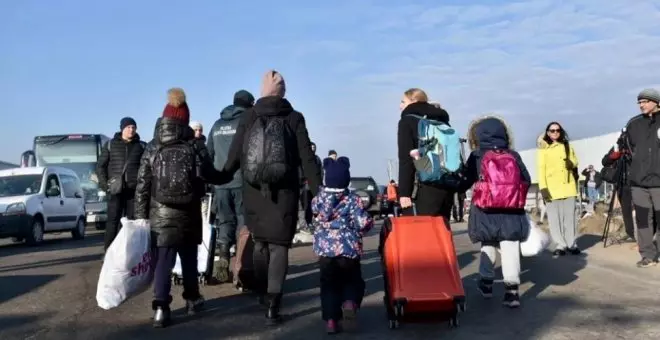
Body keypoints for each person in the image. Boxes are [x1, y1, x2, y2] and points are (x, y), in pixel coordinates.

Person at [221, 70, 322, 325]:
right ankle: (273, 304)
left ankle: (263, 293)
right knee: (279, 246)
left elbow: (234, 158)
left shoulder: (249, 116)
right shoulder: (294, 117)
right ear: (283, 92)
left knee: (260, 243)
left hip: (253, 190)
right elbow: (306, 157)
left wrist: (216, 176)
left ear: (262, 90)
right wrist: (319, 191)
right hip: (285, 192)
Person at [134, 88, 229, 328]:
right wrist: (231, 171)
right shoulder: (195, 145)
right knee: (188, 258)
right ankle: (192, 299)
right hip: (188, 213)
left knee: (163, 262)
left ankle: (161, 308)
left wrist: (140, 218)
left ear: (164, 119)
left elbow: (142, 185)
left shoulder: (153, 147)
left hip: (160, 214)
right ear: (185, 120)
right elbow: (213, 176)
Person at [456, 116, 530, 308]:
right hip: (511, 210)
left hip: (485, 209)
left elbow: (465, 181)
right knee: (510, 246)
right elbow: (526, 179)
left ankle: (486, 284)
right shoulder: (513, 155)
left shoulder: (477, 155)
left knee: (488, 244)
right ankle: (512, 292)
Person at [311, 156, 373, 334]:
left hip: (325, 252)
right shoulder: (352, 200)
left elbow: (313, 215)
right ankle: (349, 302)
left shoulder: (318, 200)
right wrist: (367, 224)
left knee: (329, 286)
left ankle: (331, 321)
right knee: (353, 281)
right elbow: (363, 223)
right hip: (348, 250)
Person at [207, 89, 255, 283]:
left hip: (220, 184)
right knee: (243, 224)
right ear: (249, 105)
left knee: (225, 222)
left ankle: (222, 264)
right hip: (241, 182)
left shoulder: (217, 125)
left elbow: (208, 153)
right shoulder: (247, 123)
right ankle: (240, 269)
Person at [610, 88, 660, 267]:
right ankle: (648, 255)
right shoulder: (633, 124)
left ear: (656, 102)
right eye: (639, 102)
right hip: (639, 182)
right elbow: (626, 148)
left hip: (659, 182)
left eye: (645, 101)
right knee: (643, 219)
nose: (641, 105)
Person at [397, 88, 454, 217]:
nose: (400, 106)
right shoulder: (442, 120)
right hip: (446, 184)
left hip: (423, 185)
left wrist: (404, 193)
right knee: (442, 232)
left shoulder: (407, 121)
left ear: (414, 101)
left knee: (421, 232)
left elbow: (406, 160)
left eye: (403, 101)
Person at [96, 117, 146, 250]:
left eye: (133, 127)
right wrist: (104, 184)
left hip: (133, 191)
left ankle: (130, 252)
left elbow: (146, 168)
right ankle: (109, 253)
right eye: (128, 127)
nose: (131, 130)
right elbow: (100, 166)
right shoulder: (110, 145)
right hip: (115, 190)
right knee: (112, 222)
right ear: (122, 129)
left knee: (131, 223)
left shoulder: (141, 146)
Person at [537, 122, 581, 256]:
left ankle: (571, 244)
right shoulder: (543, 150)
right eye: (552, 130)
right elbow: (541, 170)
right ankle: (560, 245)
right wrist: (543, 188)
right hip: (551, 188)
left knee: (570, 218)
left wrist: (571, 163)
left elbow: (575, 161)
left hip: (568, 186)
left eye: (557, 130)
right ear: (548, 133)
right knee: (554, 219)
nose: (555, 132)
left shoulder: (568, 146)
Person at [602, 138, 635, 242]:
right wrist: (614, 155)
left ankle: (644, 236)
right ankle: (631, 233)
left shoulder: (639, 145)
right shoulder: (618, 146)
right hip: (622, 183)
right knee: (626, 211)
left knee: (642, 211)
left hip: (638, 183)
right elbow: (605, 161)